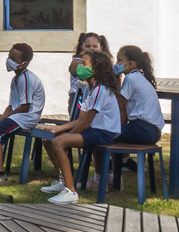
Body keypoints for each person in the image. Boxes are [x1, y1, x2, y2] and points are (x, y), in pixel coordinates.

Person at [40, 48, 122, 204]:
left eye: (84, 63)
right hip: (94, 129)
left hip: (104, 132)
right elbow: (80, 119)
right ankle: (62, 181)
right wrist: (58, 129)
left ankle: (70, 191)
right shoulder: (89, 90)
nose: (79, 67)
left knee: (59, 142)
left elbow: (86, 122)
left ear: (95, 69)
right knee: (49, 138)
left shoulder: (100, 89)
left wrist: (66, 136)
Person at [0, 42, 46, 178]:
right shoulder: (15, 79)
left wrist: (3, 119)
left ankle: (0, 173)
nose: (9, 61)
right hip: (15, 115)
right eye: (9, 57)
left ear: (25, 63)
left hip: (26, 118)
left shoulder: (26, 79)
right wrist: (2, 116)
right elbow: (12, 105)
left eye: (14, 59)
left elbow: (25, 107)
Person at [115, 45, 164, 146]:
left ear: (131, 63)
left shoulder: (131, 78)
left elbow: (119, 105)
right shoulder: (138, 77)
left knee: (104, 131)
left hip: (142, 129)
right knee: (115, 130)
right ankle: (124, 160)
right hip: (153, 131)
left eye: (119, 60)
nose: (116, 64)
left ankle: (122, 162)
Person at [65, 31, 109, 120]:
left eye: (95, 46)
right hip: (78, 99)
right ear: (82, 48)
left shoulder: (106, 63)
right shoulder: (78, 61)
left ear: (101, 48)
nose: (91, 49)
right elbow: (74, 67)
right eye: (87, 46)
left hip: (96, 98)